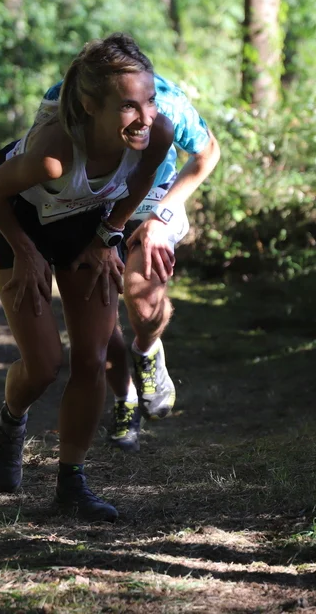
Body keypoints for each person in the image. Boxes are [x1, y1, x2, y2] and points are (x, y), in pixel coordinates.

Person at [0, 33, 173, 522]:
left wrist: (108, 235)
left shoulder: (157, 134)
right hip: (20, 220)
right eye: (128, 106)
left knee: (94, 356)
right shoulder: (55, 152)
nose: (145, 116)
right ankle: (12, 421)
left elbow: (143, 179)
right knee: (44, 365)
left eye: (150, 100)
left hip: (87, 221)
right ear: (90, 106)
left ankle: (72, 483)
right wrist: (26, 253)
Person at [36, 75, 220, 452]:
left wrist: (162, 216)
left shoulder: (167, 102)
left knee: (142, 296)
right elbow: (41, 156)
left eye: (145, 103)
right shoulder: (63, 97)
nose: (142, 115)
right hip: (91, 198)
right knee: (99, 310)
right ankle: (127, 399)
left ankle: (148, 349)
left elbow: (209, 152)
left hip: (155, 198)